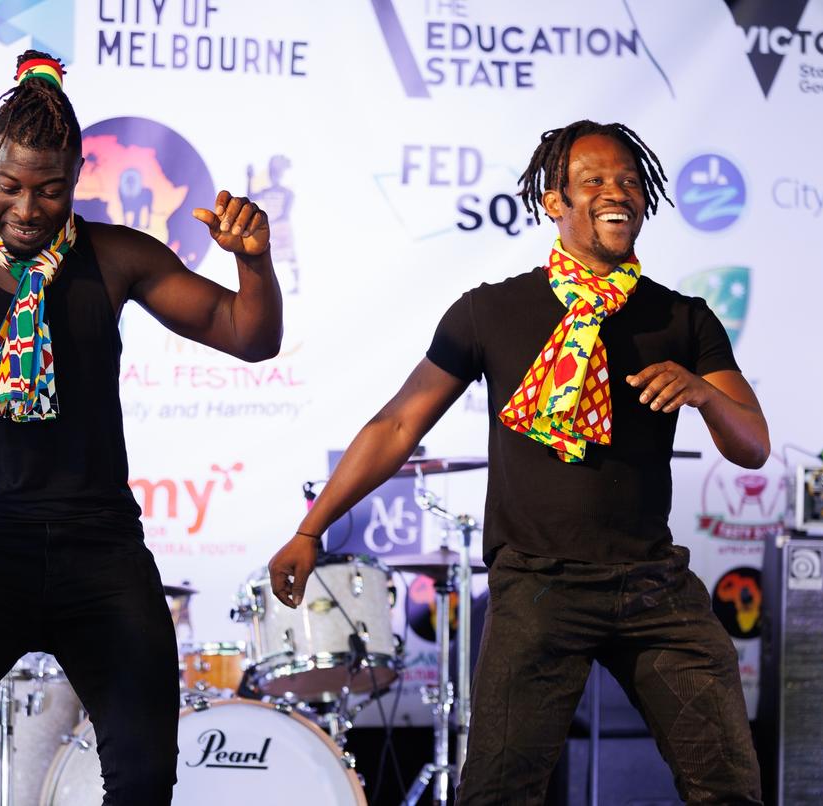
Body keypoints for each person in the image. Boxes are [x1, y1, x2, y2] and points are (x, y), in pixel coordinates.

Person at [0, 50, 281, 805]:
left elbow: (248, 334)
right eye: (10, 186)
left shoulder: (118, 255)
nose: (27, 207)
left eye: (49, 188)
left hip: (100, 547)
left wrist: (255, 265)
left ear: (77, 174)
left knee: (143, 772)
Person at [268, 120, 767, 804]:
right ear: (552, 203)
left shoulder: (681, 318)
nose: (616, 192)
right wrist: (310, 528)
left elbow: (753, 443)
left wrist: (706, 394)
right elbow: (397, 424)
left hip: (653, 585)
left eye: (627, 180)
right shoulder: (491, 312)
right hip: (538, 586)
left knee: (730, 787)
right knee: (498, 795)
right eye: (592, 181)